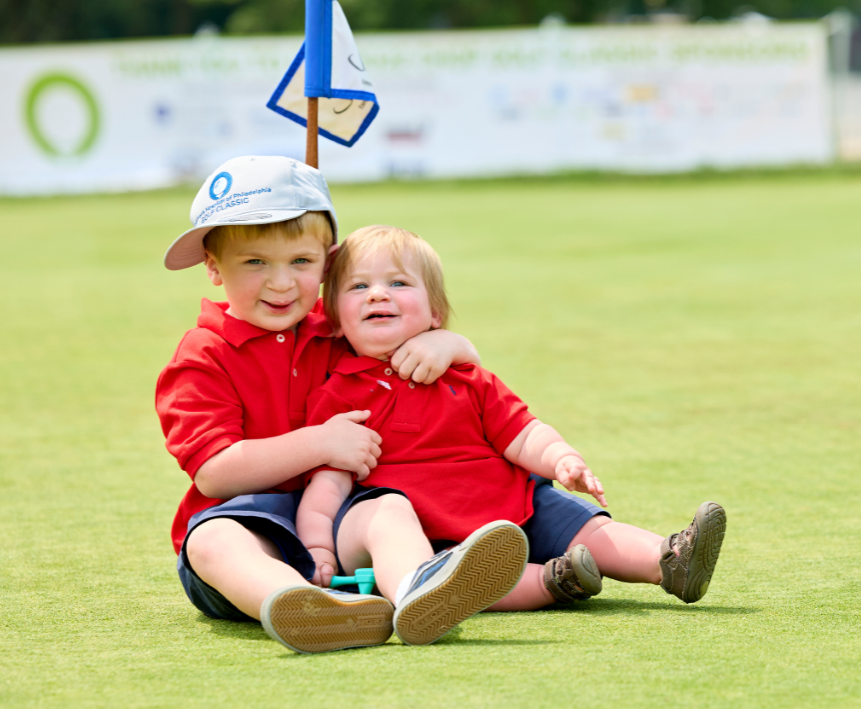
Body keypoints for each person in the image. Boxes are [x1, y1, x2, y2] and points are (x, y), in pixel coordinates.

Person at [280, 225, 727, 651]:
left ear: (435, 313)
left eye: (398, 283)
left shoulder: (466, 379)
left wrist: (560, 458)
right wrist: (317, 548)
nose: (378, 294)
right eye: (358, 287)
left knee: (581, 522)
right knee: (457, 561)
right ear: (335, 321)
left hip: (507, 503)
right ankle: (535, 584)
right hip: (428, 533)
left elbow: (522, 433)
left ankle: (666, 560)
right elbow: (329, 482)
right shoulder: (339, 394)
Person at [156, 157, 484, 653]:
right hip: (247, 521)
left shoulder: (339, 327)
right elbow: (214, 473)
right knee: (212, 542)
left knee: (390, 507)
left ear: (328, 263)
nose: (282, 282)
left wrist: (452, 346)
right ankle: (300, 602)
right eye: (255, 262)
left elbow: (432, 357)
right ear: (213, 267)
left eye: (301, 262)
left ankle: (419, 592)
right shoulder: (204, 354)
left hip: (338, 518)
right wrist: (320, 442)